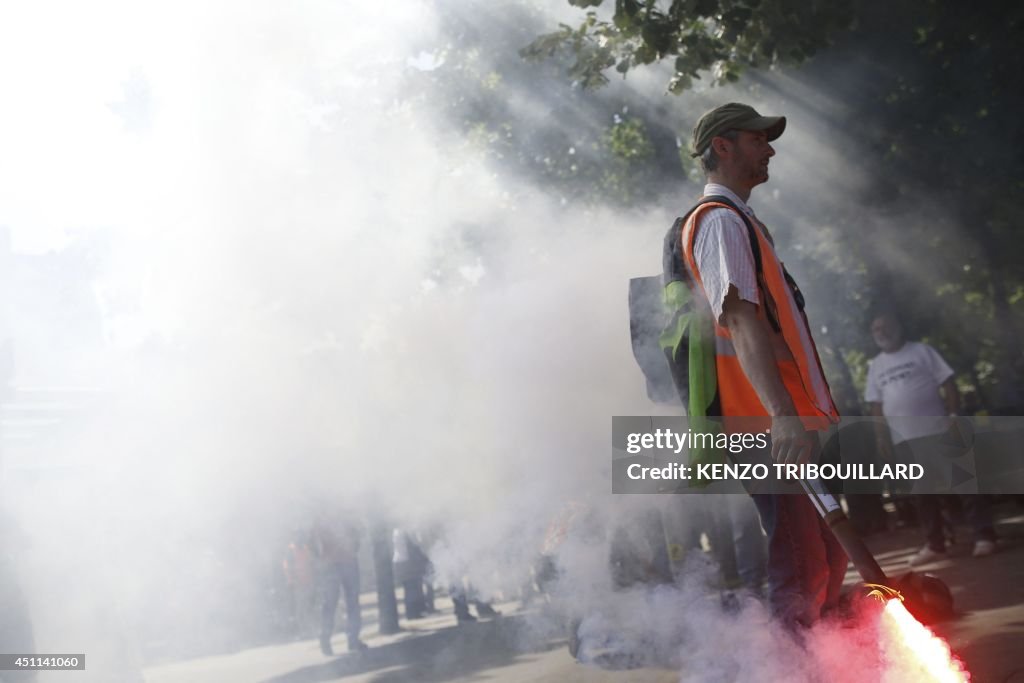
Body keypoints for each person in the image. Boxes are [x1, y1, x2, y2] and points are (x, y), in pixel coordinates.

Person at [679, 102, 848, 629]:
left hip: (777, 421)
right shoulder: (721, 223)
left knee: (828, 555)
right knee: (803, 565)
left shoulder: (742, 222)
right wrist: (782, 415)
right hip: (766, 425)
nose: (770, 148)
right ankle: (795, 666)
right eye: (757, 139)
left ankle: (823, 662)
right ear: (722, 147)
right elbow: (742, 323)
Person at [865, 312, 996, 564]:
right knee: (922, 494)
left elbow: (948, 383)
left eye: (885, 326)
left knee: (964, 484)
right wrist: (881, 437)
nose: (880, 332)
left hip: (940, 430)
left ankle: (984, 536)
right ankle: (935, 545)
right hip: (904, 440)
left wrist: (954, 414)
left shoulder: (921, 351)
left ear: (898, 326)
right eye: (875, 329)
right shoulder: (876, 366)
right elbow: (875, 405)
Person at [311, 511, 368, 656]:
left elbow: (313, 543)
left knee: (332, 604)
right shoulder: (344, 514)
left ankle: (329, 641)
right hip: (343, 562)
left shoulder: (323, 517)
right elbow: (358, 535)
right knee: (346, 603)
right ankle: (349, 640)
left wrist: (321, 558)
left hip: (335, 563)